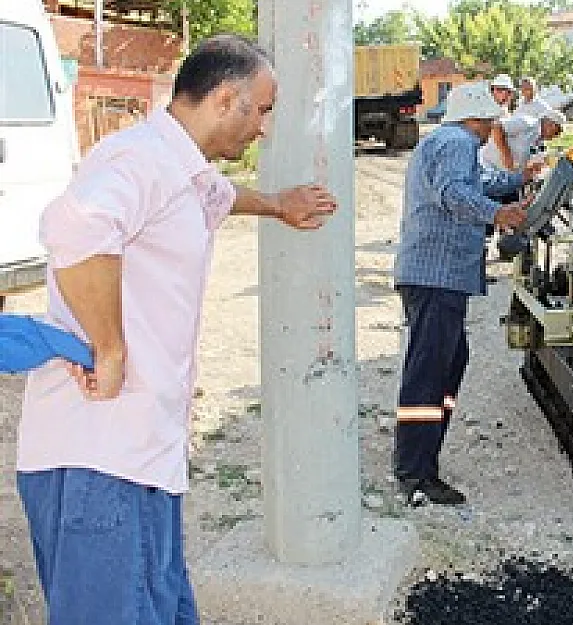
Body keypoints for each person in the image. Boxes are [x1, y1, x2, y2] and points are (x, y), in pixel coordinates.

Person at [15, 35, 338, 624]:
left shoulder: (183, 170)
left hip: (139, 455)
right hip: (100, 454)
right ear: (223, 99)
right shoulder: (139, 160)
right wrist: (109, 350)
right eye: (261, 109)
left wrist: (274, 204)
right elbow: (77, 227)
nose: (263, 128)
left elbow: (213, 198)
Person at [392, 82, 534, 506]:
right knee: (431, 372)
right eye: (491, 118)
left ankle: (420, 456)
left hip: (437, 276)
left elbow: (480, 182)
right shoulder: (456, 141)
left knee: (449, 363)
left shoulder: (449, 141)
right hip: (436, 276)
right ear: (479, 117)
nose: (494, 125)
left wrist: (517, 180)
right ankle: (415, 474)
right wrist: (500, 215)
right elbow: (453, 194)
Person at [480, 107, 566, 174]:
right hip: (487, 167)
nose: (556, 136)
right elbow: (496, 127)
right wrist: (506, 155)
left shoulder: (539, 142)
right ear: (551, 125)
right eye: (557, 132)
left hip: (503, 176)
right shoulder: (528, 122)